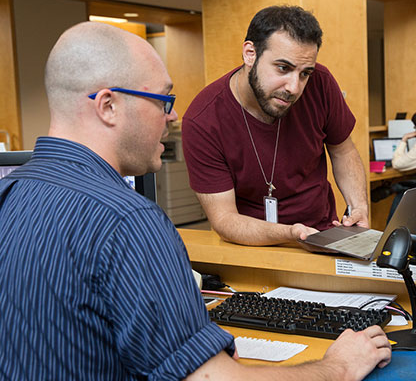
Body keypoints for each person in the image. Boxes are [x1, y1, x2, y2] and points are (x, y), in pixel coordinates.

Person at [0, 22, 391, 380]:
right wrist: (339, 366)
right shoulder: (128, 221)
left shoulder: (11, 194)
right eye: (162, 101)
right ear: (108, 106)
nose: (172, 119)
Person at [182, 5, 368, 247]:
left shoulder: (320, 83)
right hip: (252, 245)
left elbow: (343, 151)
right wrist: (292, 233)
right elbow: (224, 220)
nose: (294, 87)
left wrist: (359, 207)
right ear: (250, 53)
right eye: (283, 68)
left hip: (324, 235)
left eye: (304, 73)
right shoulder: (203, 121)